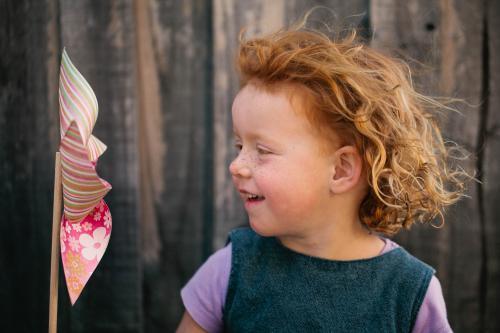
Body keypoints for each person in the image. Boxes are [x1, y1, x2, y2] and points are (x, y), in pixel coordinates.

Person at [176, 23, 469, 333]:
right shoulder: (229, 269)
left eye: (262, 150)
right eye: (239, 146)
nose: (237, 165)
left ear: (341, 170)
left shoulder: (410, 292)